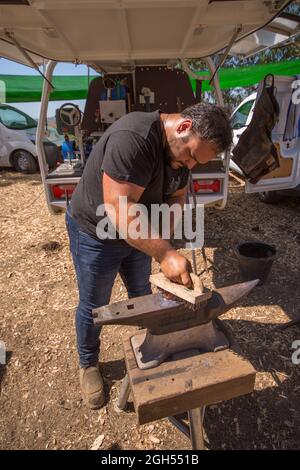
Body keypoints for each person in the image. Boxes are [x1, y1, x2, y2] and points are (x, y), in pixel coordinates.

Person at [66, 102, 232, 409]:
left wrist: (163, 241)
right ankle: (88, 363)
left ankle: (148, 344)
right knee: (95, 304)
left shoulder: (182, 156)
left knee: (142, 293)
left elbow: (177, 197)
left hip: (138, 233)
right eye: (192, 156)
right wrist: (166, 253)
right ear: (183, 127)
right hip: (95, 231)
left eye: (199, 162)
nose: (191, 165)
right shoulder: (134, 137)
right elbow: (118, 209)